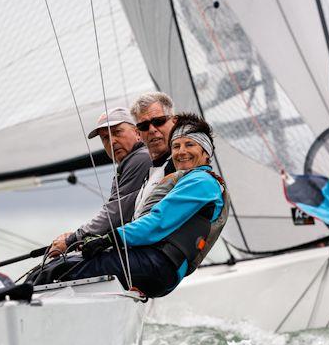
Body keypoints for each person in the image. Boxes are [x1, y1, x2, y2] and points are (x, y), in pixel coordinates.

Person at [49, 113, 229, 298]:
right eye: (176, 146)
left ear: (206, 152)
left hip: (158, 264)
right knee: (71, 266)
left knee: (57, 268)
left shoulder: (201, 182)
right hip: (156, 264)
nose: (181, 151)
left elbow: (158, 221)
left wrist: (109, 239)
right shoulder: (187, 180)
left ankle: (23, 305)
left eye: (189, 144)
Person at [48, 107, 151, 257]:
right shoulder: (131, 161)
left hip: (147, 252)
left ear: (137, 132)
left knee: (57, 271)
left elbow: (116, 213)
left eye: (117, 132)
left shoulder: (140, 158)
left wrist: (72, 239)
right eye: (105, 138)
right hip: (141, 248)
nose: (112, 141)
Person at [130, 92, 178, 217]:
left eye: (159, 121)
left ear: (174, 121)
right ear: (138, 133)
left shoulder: (180, 164)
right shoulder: (150, 173)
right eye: (144, 126)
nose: (152, 129)